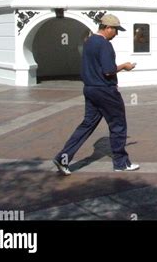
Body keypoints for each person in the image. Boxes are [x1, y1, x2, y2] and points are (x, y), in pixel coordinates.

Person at [52, 13, 139, 175]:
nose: (117, 33)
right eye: (115, 30)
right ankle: (121, 163)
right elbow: (108, 71)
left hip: (90, 89)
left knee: (87, 125)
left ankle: (63, 158)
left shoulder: (89, 42)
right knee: (118, 125)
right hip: (105, 90)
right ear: (107, 28)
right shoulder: (104, 44)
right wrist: (124, 66)